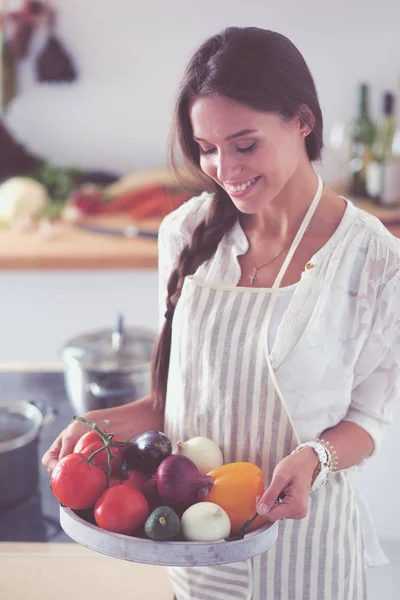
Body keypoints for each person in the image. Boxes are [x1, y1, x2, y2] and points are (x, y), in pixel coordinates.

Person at [42, 26, 400, 600]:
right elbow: (170, 404)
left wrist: (315, 456)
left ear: (302, 121)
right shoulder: (185, 233)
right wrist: (92, 428)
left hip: (306, 547)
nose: (223, 168)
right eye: (205, 148)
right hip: (198, 545)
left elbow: (368, 420)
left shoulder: (373, 258)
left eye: (244, 144)